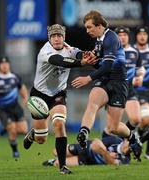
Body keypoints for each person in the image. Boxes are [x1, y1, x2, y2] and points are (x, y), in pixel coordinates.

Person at [23, 24, 96, 174]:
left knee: (58, 123)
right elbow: (60, 61)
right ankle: (34, 134)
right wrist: (81, 63)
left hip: (58, 93)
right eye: (53, 36)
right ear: (49, 38)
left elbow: (78, 54)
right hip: (39, 95)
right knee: (41, 138)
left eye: (59, 36)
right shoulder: (45, 51)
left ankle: (63, 166)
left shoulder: (68, 48)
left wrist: (88, 56)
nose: (57, 39)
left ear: (63, 37)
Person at [71, 10, 142, 161]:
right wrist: (93, 61)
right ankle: (84, 132)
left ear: (99, 25)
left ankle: (132, 137)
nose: (87, 30)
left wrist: (88, 78)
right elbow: (101, 66)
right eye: (86, 27)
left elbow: (109, 66)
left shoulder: (111, 38)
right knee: (93, 102)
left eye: (89, 27)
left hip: (118, 83)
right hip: (105, 80)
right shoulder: (98, 40)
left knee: (113, 128)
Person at [114, 27, 145, 132]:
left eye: (125, 35)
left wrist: (140, 77)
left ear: (128, 37)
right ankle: (116, 142)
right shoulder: (112, 52)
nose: (122, 38)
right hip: (116, 89)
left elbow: (140, 69)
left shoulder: (135, 51)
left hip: (130, 89)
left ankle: (126, 139)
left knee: (136, 119)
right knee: (113, 125)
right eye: (120, 35)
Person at [0, 57, 28, 158]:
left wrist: (25, 99)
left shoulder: (15, 76)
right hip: (2, 109)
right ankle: (15, 151)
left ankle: (5, 128)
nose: (4, 65)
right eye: (2, 63)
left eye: (6, 63)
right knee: (12, 129)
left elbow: (22, 88)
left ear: (9, 64)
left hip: (15, 107)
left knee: (23, 130)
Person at [42, 135, 131, 167]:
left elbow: (112, 163)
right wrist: (107, 154)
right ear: (126, 140)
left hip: (88, 158)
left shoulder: (126, 159)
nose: (127, 148)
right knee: (55, 151)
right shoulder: (115, 140)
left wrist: (104, 152)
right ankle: (58, 157)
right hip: (84, 146)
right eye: (129, 144)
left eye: (130, 149)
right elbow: (97, 143)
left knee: (58, 163)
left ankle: (52, 161)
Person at [134, 26, 149, 159]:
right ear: (136, 36)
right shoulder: (132, 52)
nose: (142, 36)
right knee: (147, 120)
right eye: (140, 34)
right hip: (138, 91)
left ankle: (147, 152)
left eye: (145, 34)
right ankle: (136, 141)